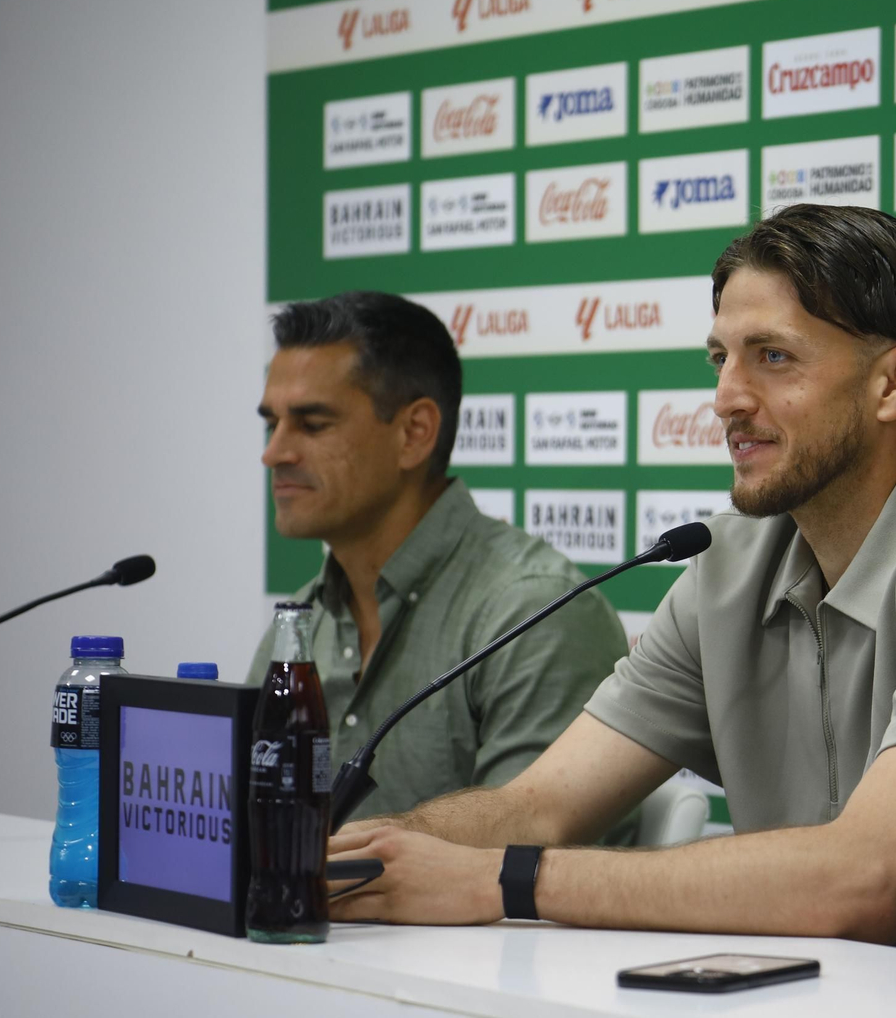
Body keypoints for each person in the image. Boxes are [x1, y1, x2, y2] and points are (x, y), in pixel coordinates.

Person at [327, 204, 896, 955]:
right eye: (720, 358)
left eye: (773, 357)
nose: (726, 398)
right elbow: (540, 807)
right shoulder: (727, 566)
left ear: (895, 382)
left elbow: (868, 880)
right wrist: (336, 859)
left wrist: (504, 880)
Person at [251, 292, 631, 830]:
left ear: (414, 434)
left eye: (312, 424)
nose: (274, 453)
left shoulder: (532, 612)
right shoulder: (299, 623)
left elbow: (526, 857)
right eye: (272, 424)